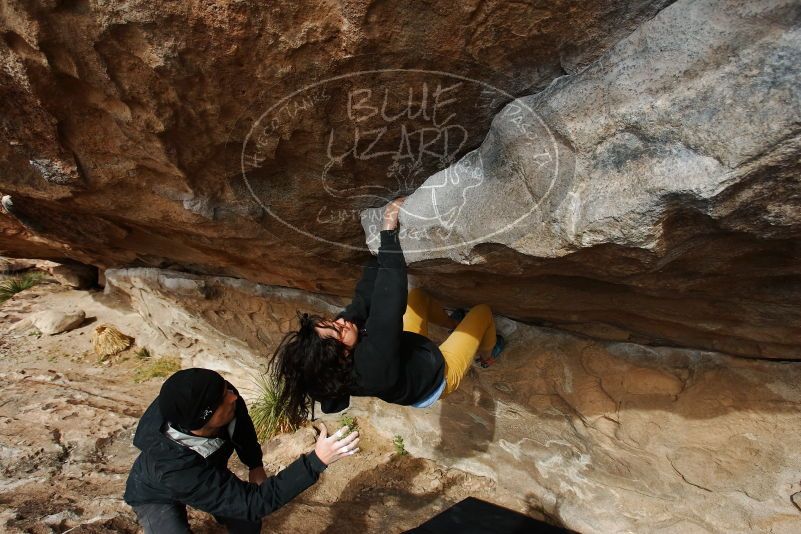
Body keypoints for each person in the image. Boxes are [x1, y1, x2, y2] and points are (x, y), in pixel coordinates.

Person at [271, 197, 505, 426]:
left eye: (332, 323)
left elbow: (362, 301)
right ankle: (488, 354)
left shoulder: (336, 359)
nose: (341, 322)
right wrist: (388, 231)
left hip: (410, 357)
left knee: (419, 299)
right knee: (482, 312)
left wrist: (377, 254)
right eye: (337, 331)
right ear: (341, 356)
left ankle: (455, 326)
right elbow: (389, 297)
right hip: (436, 378)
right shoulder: (372, 366)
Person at [124, 368, 359, 533]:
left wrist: (254, 464)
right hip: (154, 493)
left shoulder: (220, 398)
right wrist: (316, 460)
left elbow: (241, 426)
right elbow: (252, 503)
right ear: (203, 421)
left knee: (247, 523)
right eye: (224, 397)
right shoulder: (175, 467)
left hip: (205, 470)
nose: (233, 396)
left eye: (225, 388)